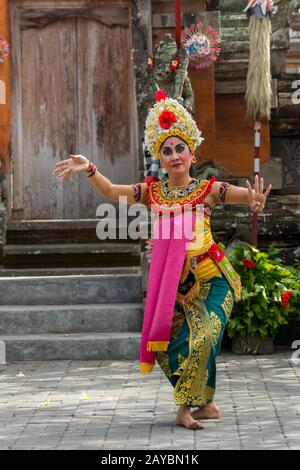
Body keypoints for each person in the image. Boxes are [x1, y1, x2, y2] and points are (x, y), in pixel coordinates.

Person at [53, 91, 272, 430]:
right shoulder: (152, 192)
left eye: (179, 148)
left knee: (204, 336)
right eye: (167, 151)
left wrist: (254, 200)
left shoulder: (207, 189)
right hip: (175, 289)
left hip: (214, 280)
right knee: (164, 346)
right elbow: (113, 191)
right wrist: (90, 169)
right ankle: (208, 404)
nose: (174, 156)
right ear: (161, 157)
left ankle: (185, 408)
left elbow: (240, 195)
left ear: (191, 153)